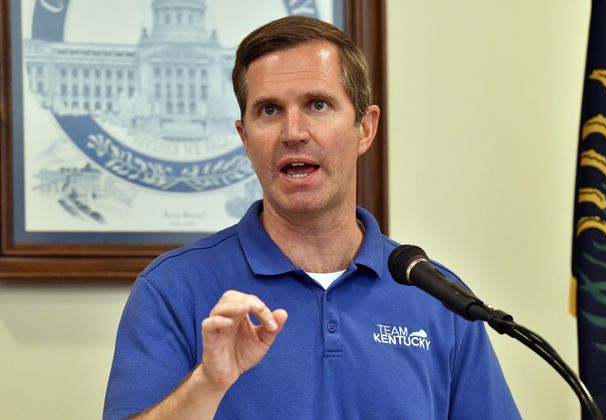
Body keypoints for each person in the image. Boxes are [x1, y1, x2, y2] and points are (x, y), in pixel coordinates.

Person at [104, 16, 521, 420]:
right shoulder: (172, 288)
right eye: (269, 110)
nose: (293, 132)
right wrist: (208, 384)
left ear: (365, 128)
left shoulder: (438, 296)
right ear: (245, 138)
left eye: (317, 104)